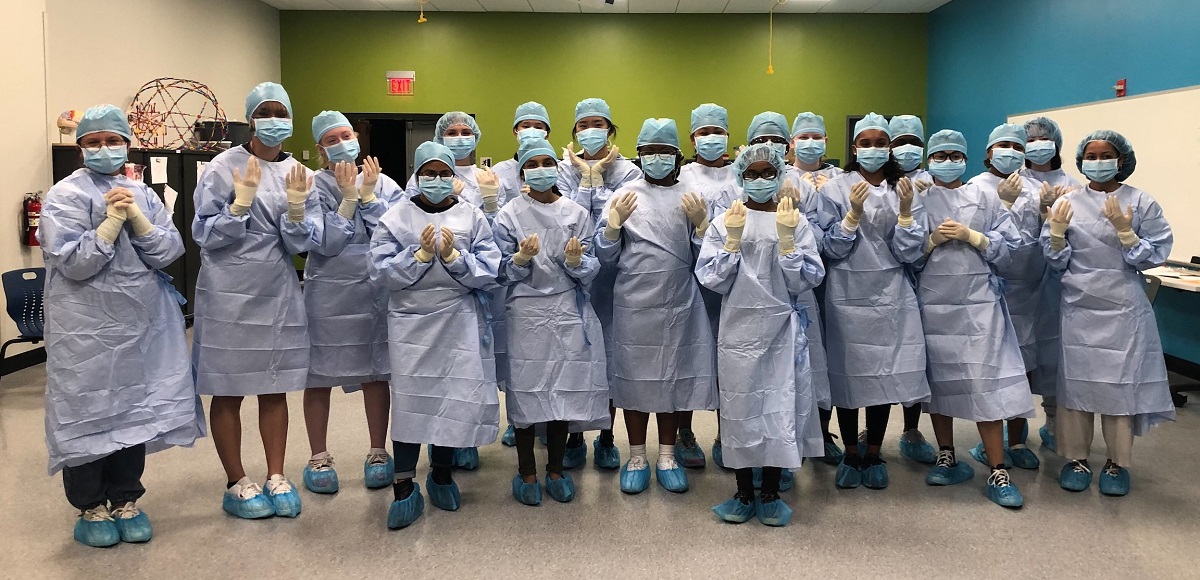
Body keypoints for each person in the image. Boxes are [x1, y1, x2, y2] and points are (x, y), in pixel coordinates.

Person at [39, 104, 203, 547]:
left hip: (139, 325)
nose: (104, 148)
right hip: (85, 327)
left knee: (132, 410)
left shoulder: (143, 193)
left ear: (127, 144)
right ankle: (90, 506)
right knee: (87, 410)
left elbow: (168, 250)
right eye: (93, 142)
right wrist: (110, 224)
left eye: (113, 140)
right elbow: (73, 263)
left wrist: (137, 217)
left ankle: (126, 499)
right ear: (80, 150)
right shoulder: (64, 197)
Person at [193, 82, 335, 519]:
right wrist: (239, 204)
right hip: (228, 290)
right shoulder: (221, 167)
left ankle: (276, 474)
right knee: (229, 387)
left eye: (282, 112)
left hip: (275, 288)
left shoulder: (302, 175)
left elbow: (301, 241)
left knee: (275, 386)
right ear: (251, 118)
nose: (275, 120)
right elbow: (204, 234)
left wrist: (295, 210)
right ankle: (236, 481)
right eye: (266, 112)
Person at [369, 141, 501, 529]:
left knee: (452, 397)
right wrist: (420, 257)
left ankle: (441, 473)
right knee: (412, 401)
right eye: (429, 173)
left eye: (445, 173)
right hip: (412, 324)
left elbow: (491, 269)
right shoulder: (395, 218)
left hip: (459, 320)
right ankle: (404, 485)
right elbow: (379, 272)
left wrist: (458, 259)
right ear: (416, 175)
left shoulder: (472, 217)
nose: (438, 180)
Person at [698, 144, 825, 527]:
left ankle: (769, 492)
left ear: (779, 176)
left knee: (778, 408)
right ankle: (742, 491)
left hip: (782, 329)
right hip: (738, 328)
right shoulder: (725, 222)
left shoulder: (795, 221)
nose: (758, 180)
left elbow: (808, 279)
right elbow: (712, 279)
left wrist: (788, 244)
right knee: (739, 410)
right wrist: (731, 243)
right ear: (739, 177)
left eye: (766, 173)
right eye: (750, 173)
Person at [1042, 130, 1174, 497]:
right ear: (1081, 160)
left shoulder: (1141, 202)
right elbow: (1055, 262)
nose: (1097, 161)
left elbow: (1156, 254)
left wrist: (1126, 233)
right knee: (1076, 387)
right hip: (1078, 306)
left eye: (1106, 154)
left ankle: (1116, 463)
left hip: (1123, 308)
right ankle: (1076, 458)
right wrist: (1054, 233)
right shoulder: (1067, 201)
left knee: (1119, 388)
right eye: (1091, 154)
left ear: (1122, 160)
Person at [913, 129, 1034, 508]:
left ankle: (998, 468)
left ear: (968, 158)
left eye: (955, 154)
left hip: (979, 302)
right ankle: (945, 454)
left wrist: (974, 237)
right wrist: (929, 241)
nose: (948, 160)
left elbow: (1010, 249)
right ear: (928, 157)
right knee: (942, 381)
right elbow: (903, 251)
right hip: (932, 301)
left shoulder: (987, 196)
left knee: (984, 383)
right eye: (940, 154)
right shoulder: (918, 196)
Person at [596, 118, 717, 494]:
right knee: (633, 379)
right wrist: (612, 229)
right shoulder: (624, 194)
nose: (657, 158)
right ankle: (635, 455)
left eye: (664, 151)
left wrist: (701, 227)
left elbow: (708, 257)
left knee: (672, 378)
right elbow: (606, 257)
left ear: (678, 155)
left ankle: (666, 455)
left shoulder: (692, 194)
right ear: (640, 154)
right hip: (633, 299)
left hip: (679, 296)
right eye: (649, 151)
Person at [816, 112, 929, 491]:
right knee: (849, 374)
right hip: (845, 293)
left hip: (891, 293)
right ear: (853, 148)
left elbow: (911, 253)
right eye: (866, 143)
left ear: (891, 147)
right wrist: (851, 217)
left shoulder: (906, 189)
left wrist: (908, 213)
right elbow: (827, 248)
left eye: (881, 143)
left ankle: (875, 450)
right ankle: (850, 451)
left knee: (883, 375)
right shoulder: (834, 188)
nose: (873, 149)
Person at [493, 138, 609, 506]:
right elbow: (499, 271)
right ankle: (527, 472)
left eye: (547, 162)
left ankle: (555, 470)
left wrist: (576, 264)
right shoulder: (508, 214)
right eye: (533, 163)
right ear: (522, 170)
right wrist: (520, 260)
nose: (541, 169)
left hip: (566, 312)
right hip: (526, 314)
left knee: (561, 392)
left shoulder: (576, 212)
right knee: (527, 394)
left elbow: (591, 266)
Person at [301, 110, 406, 495]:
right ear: (320, 148)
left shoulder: (383, 182)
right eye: (331, 139)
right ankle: (318, 456)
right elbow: (322, 242)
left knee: (376, 371)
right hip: (328, 290)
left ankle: (378, 451)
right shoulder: (310, 186)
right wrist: (347, 203)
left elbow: (395, 234)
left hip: (375, 289)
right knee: (320, 373)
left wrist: (369, 197)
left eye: (346, 135)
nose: (341, 143)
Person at [404, 111, 500, 470]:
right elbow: (404, 226)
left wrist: (485, 203)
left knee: (467, 375)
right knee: (427, 383)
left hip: (467, 295)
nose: (460, 137)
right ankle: (431, 451)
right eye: (452, 132)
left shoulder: (486, 179)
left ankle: (463, 440)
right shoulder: (414, 191)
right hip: (421, 306)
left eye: (465, 132)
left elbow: (494, 235)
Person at [558, 97, 643, 470]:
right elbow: (564, 216)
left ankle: (607, 436)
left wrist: (596, 183)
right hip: (572, 273)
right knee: (574, 356)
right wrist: (588, 180)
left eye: (598, 124)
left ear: (611, 129)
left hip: (615, 277)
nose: (590, 131)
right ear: (574, 131)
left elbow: (623, 215)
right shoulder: (560, 169)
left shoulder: (629, 171)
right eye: (583, 125)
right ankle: (575, 434)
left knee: (609, 355)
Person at [964, 124, 1044, 470]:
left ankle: (1019, 438)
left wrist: (1046, 212)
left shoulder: (1038, 188)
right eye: (1003, 145)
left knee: (1023, 364)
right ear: (988, 153)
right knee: (996, 368)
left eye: (1016, 146)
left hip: (1030, 287)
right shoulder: (974, 188)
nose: (1009, 151)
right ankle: (990, 445)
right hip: (990, 287)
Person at [675, 103, 737, 469]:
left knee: (732, 363)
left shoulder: (742, 176)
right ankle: (685, 434)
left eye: (718, 131)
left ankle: (726, 434)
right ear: (692, 138)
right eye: (703, 132)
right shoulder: (682, 177)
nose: (711, 138)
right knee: (688, 358)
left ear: (729, 135)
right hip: (691, 283)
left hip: (736, 284)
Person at [878, 114, 939, 466]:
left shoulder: (935, 182)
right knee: (883, 357)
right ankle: (874, 431)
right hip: (891, 281)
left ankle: (912, 429)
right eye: (898, 141)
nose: (905, 149)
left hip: (933, 281)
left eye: (913, 142)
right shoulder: (873, 183)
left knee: (913, 358)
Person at [1020, 116, 1083, 453]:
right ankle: (1012, 431)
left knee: (1053, 352)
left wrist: (1053, 218)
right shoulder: (1010, 182)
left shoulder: (1073, 186)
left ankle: (1054, 421)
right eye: (1031, 139)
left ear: (1057, 143)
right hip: (1015, 282)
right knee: (1015, 354)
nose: (1038, 143)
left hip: (1057, 284)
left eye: (1045, 138)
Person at [492, 102, 553, 449]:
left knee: (555, 359)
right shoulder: (501, 171)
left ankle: (554, 423)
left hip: (556, 282)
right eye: (524, 124)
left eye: (538, 124)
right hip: (515, 281)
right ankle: (520, 419)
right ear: (514, 131)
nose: (531, 130)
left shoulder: (562, 167)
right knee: (517, 357)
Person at [785, 112, 843, 466]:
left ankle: (823, 431)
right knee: (791, 364)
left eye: (816, 136)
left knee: (824, 362)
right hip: (797, 277)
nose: (810, 142)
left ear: (826, 140)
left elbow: (831, 233)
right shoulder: (779, 179)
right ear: (792, 143)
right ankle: (790, 437)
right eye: (802, 136)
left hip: (837, 279)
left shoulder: (838, 180)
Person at [789, 112, 841, 186]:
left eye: (817, 138)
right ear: (792, 143)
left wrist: (830, 191)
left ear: (825, 142)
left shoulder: (839, 176)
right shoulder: (782, 176)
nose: (810, 142)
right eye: (804, 137)